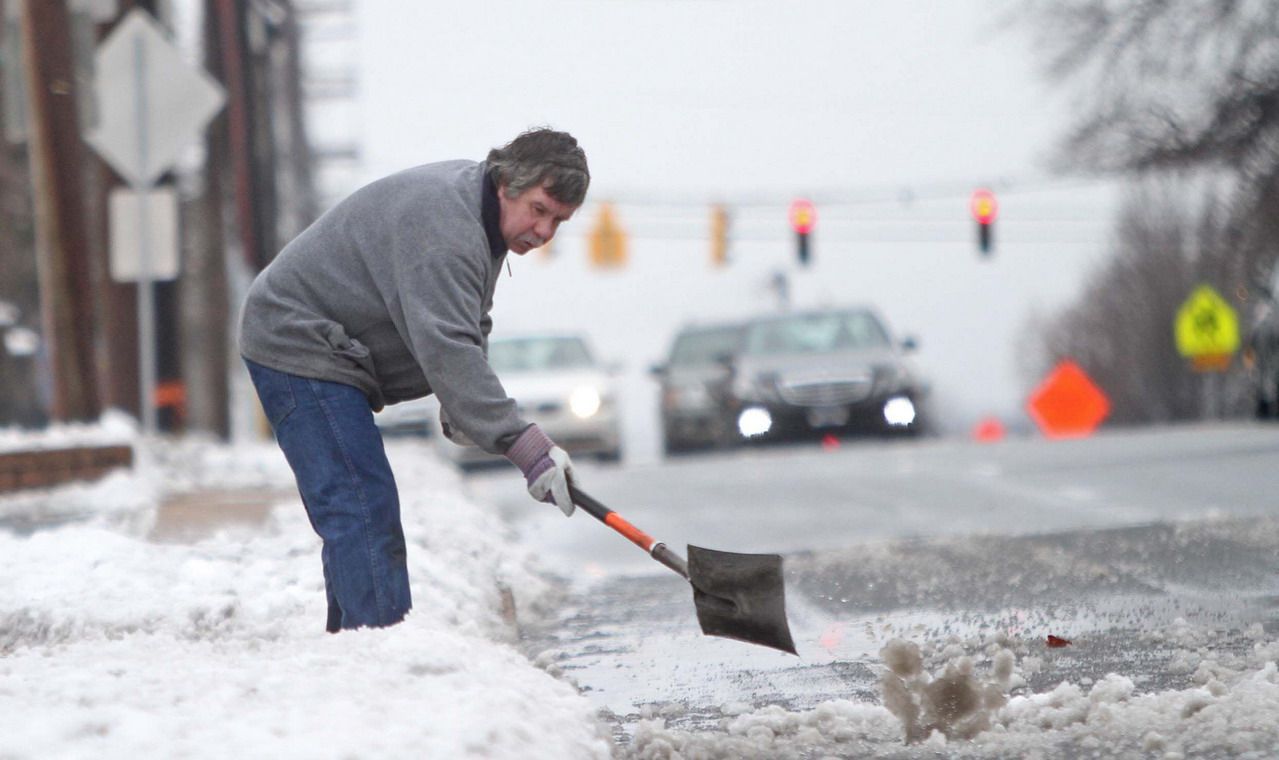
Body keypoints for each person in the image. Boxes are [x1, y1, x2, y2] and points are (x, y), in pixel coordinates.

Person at [237, 127, 589, 632]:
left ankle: (358, 646)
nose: (545, 231)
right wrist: (523, 445)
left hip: (329, 349)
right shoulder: (445, 225)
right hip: (298, 341)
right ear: (507, 182)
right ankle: (379, 647)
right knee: (360, 505)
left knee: (360, 507)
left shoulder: (478, 217)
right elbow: (446, 343)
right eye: (539, 209)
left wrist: (464, 408)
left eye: (559, 220)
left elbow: (467, 322)